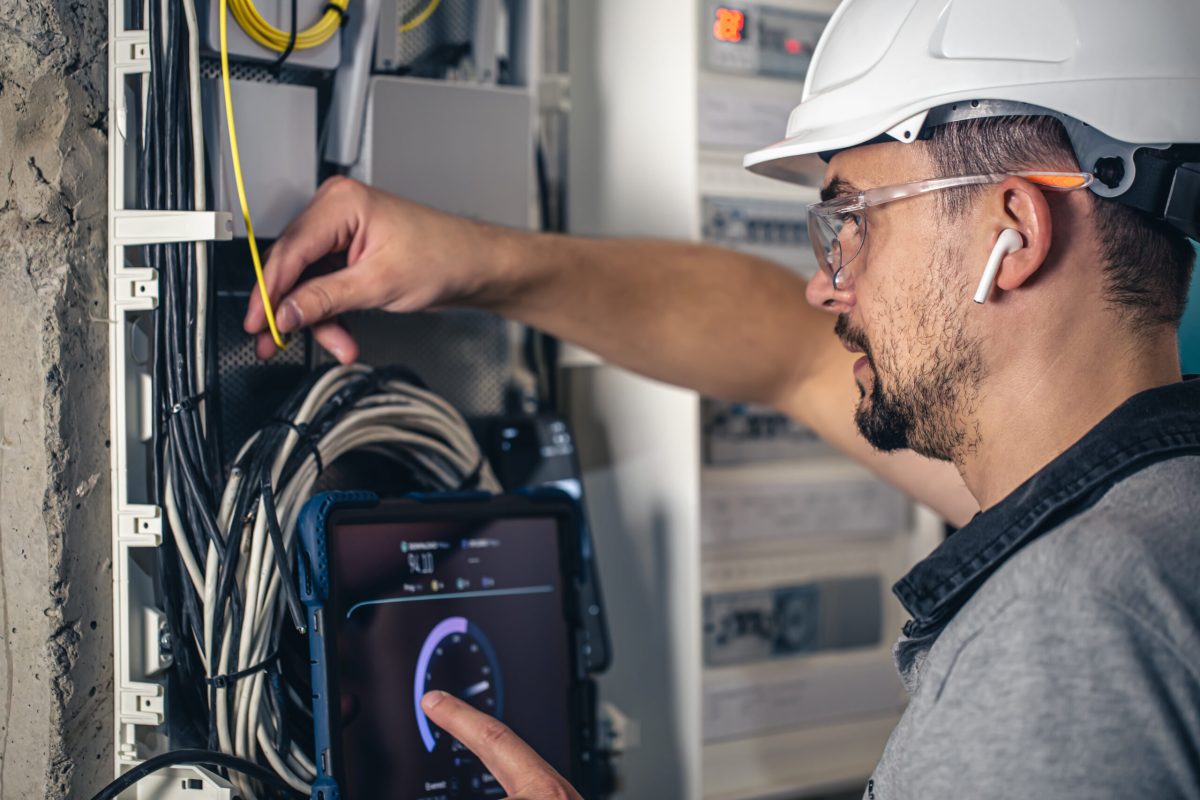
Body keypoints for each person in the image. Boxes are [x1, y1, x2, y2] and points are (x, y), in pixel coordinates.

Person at [245, 0, 1200, 796]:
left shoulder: (1061, 642)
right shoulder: (1155, 514)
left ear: (1015, 232)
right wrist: (481, 263)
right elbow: (780, 348)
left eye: (854, 221)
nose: (829, 284)